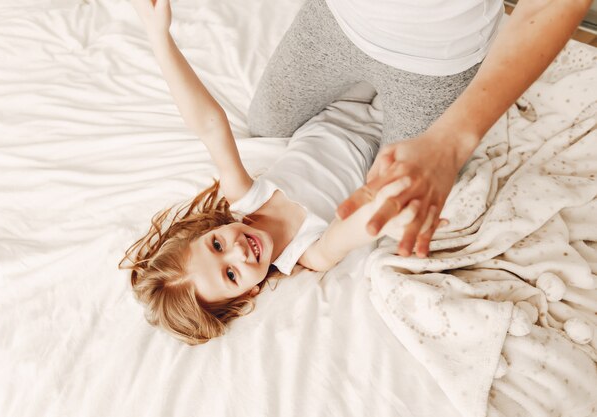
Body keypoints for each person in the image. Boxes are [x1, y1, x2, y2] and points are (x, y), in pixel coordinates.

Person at [121, 0, 427, 345]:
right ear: (248, 294)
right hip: (387, 139)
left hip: (340, 104)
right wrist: (390, 216)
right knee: (415, 63)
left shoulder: (247, 198)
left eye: (217, 244)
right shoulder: (306, 253)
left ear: (208, 230)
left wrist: (159, 36)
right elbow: (351, 231)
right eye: (231, 273)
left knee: (380, 36)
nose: (237, 250)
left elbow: (209, 126)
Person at [248, 0, 592, 259]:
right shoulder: (293, 249)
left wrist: (453, 140)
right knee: (265, 123)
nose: (240, 253)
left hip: (436, 60)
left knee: (408, 186)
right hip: (336, 19)